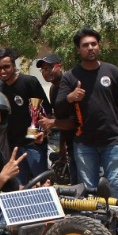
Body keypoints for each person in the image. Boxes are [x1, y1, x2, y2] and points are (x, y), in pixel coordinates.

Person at [55, 28, 118, 200]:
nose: (90, 48)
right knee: (88, 190)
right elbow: (59, 106)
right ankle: (92, 226)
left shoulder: (111, 71)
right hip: (84, 143)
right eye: (85, 45)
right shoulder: (70, 77)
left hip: (112, 140)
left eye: (94, 44)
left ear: (99, 47)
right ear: (78, 50)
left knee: (115, 186)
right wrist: (70, 97)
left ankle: (117, 226)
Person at [0, 47, 51, 185]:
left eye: (6, 66)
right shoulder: (1, 86)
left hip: (33, 145)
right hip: (14, 146)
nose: (2, 71)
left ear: (14, 65)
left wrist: (37, 134)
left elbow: (40, 110)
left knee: (42, 184)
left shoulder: (29, 82)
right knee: (19, 187)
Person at [36, 53, 76, 184]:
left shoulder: (72, 83)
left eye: (49, 68)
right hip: (71, 145)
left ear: (60, 66)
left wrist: (52, 123)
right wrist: (62, 152)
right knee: (78, 186)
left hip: (84, 143)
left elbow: (75, 122)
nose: (46, 72)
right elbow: (61, 120)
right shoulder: (53, 89)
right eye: (43, 70)